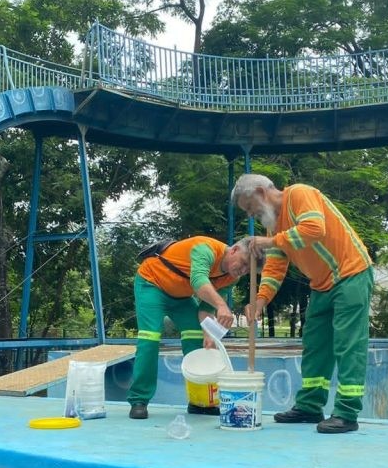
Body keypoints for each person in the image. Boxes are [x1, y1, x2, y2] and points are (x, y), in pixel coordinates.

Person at [232, 173, 374, 434]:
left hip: (351, 273)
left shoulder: (299, 193)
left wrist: (272, 240)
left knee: (348, 344)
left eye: (250, 207)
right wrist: (260, 301)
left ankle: (346, 413)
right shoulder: (273, 226)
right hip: (322, 284)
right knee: (315, 347)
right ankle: (309, 406)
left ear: (262, 193)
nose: (251, 215)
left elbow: (314, 229)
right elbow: (275, 266)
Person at [128, 235, 261, 419]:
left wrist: (208, 334)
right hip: (152, 283)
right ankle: (139, 400)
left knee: (198, 338)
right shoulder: (205, 248)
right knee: (150, 338)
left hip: (181, 297)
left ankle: (199, 402)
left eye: (248, 270)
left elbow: (206, 309)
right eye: (244, 263)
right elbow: (198, 281)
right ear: (235, 250)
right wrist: (222, 305)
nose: (243, 270)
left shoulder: (231, 277)